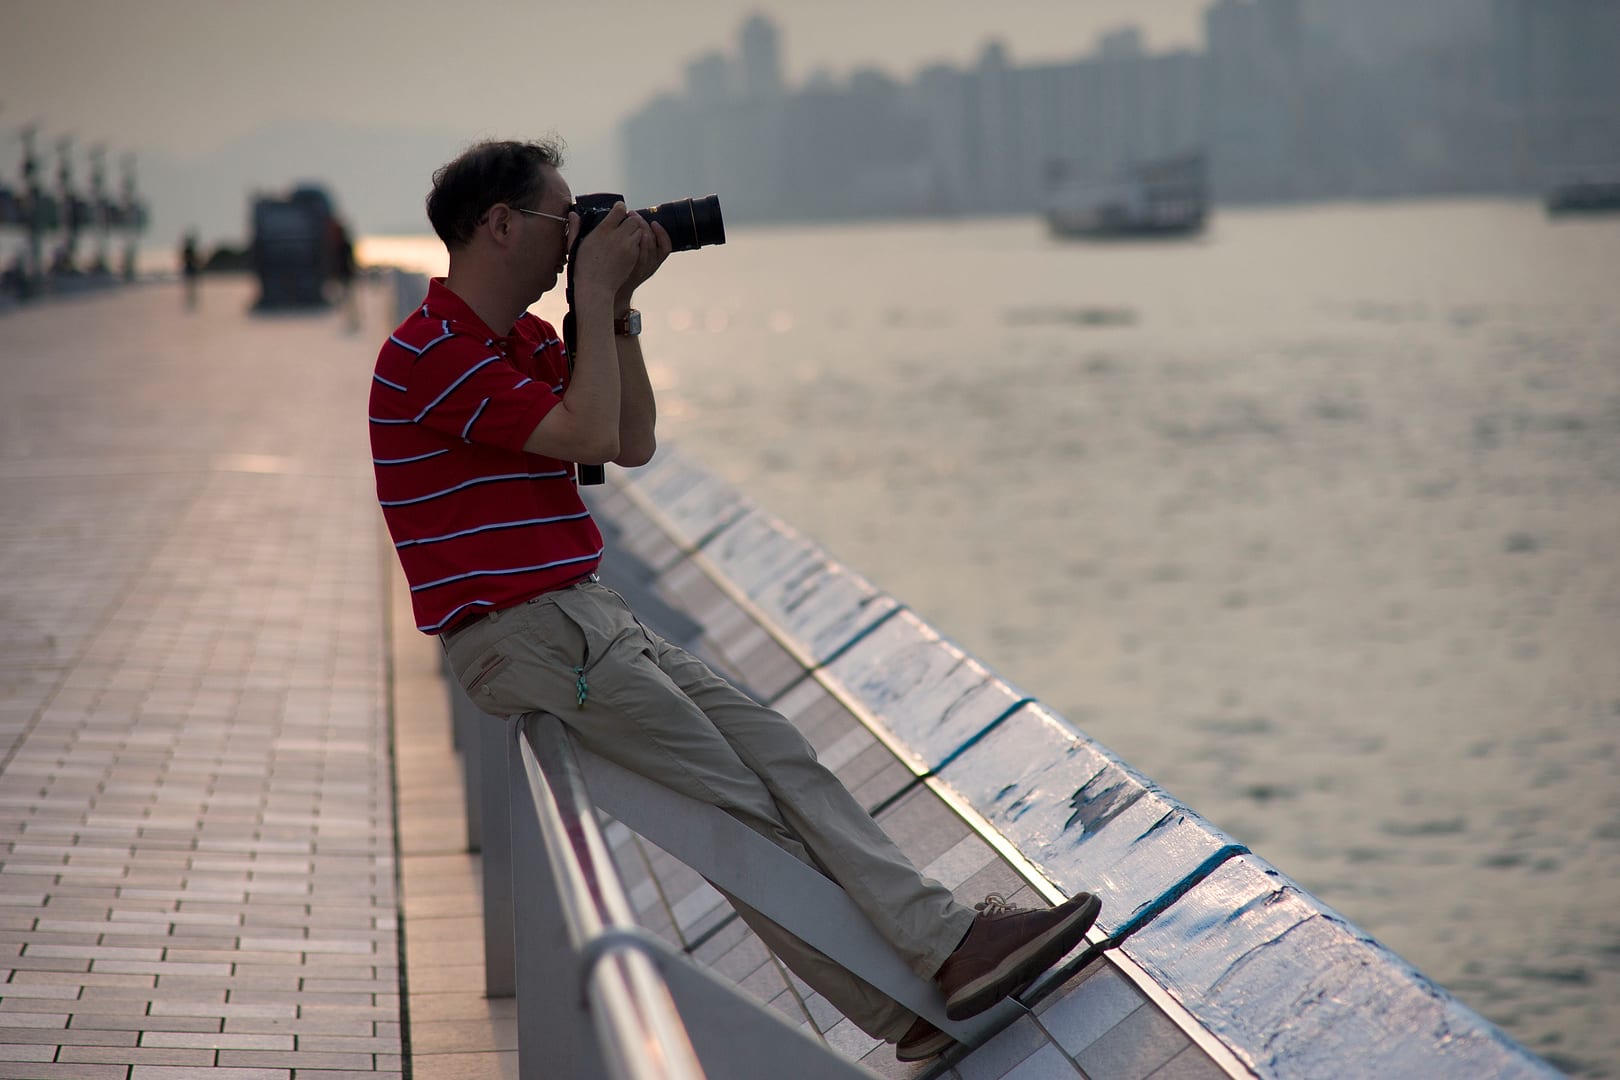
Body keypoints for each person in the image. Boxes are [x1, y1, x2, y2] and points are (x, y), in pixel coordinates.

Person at [368, 138, 1101, 1062]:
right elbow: (590, 428)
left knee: (784, 758)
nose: (575, 242)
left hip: (583, 619)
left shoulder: (525, 343)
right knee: (733, 807)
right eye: (566, 220)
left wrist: (615, 313)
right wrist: (593, 295)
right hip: (525, 636)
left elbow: (628, 442)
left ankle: (946, 944)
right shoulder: (426, 352)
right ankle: (907, 1007)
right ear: (500, 224)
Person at [180, 230, 200, 310]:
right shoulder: (189, 250)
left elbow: (185, 259)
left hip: (190, 270)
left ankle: (191, 298)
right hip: (190, 269)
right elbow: (187, 259)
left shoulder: (188, 250)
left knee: (191, 286)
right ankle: (190, 298)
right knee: (190, 286)